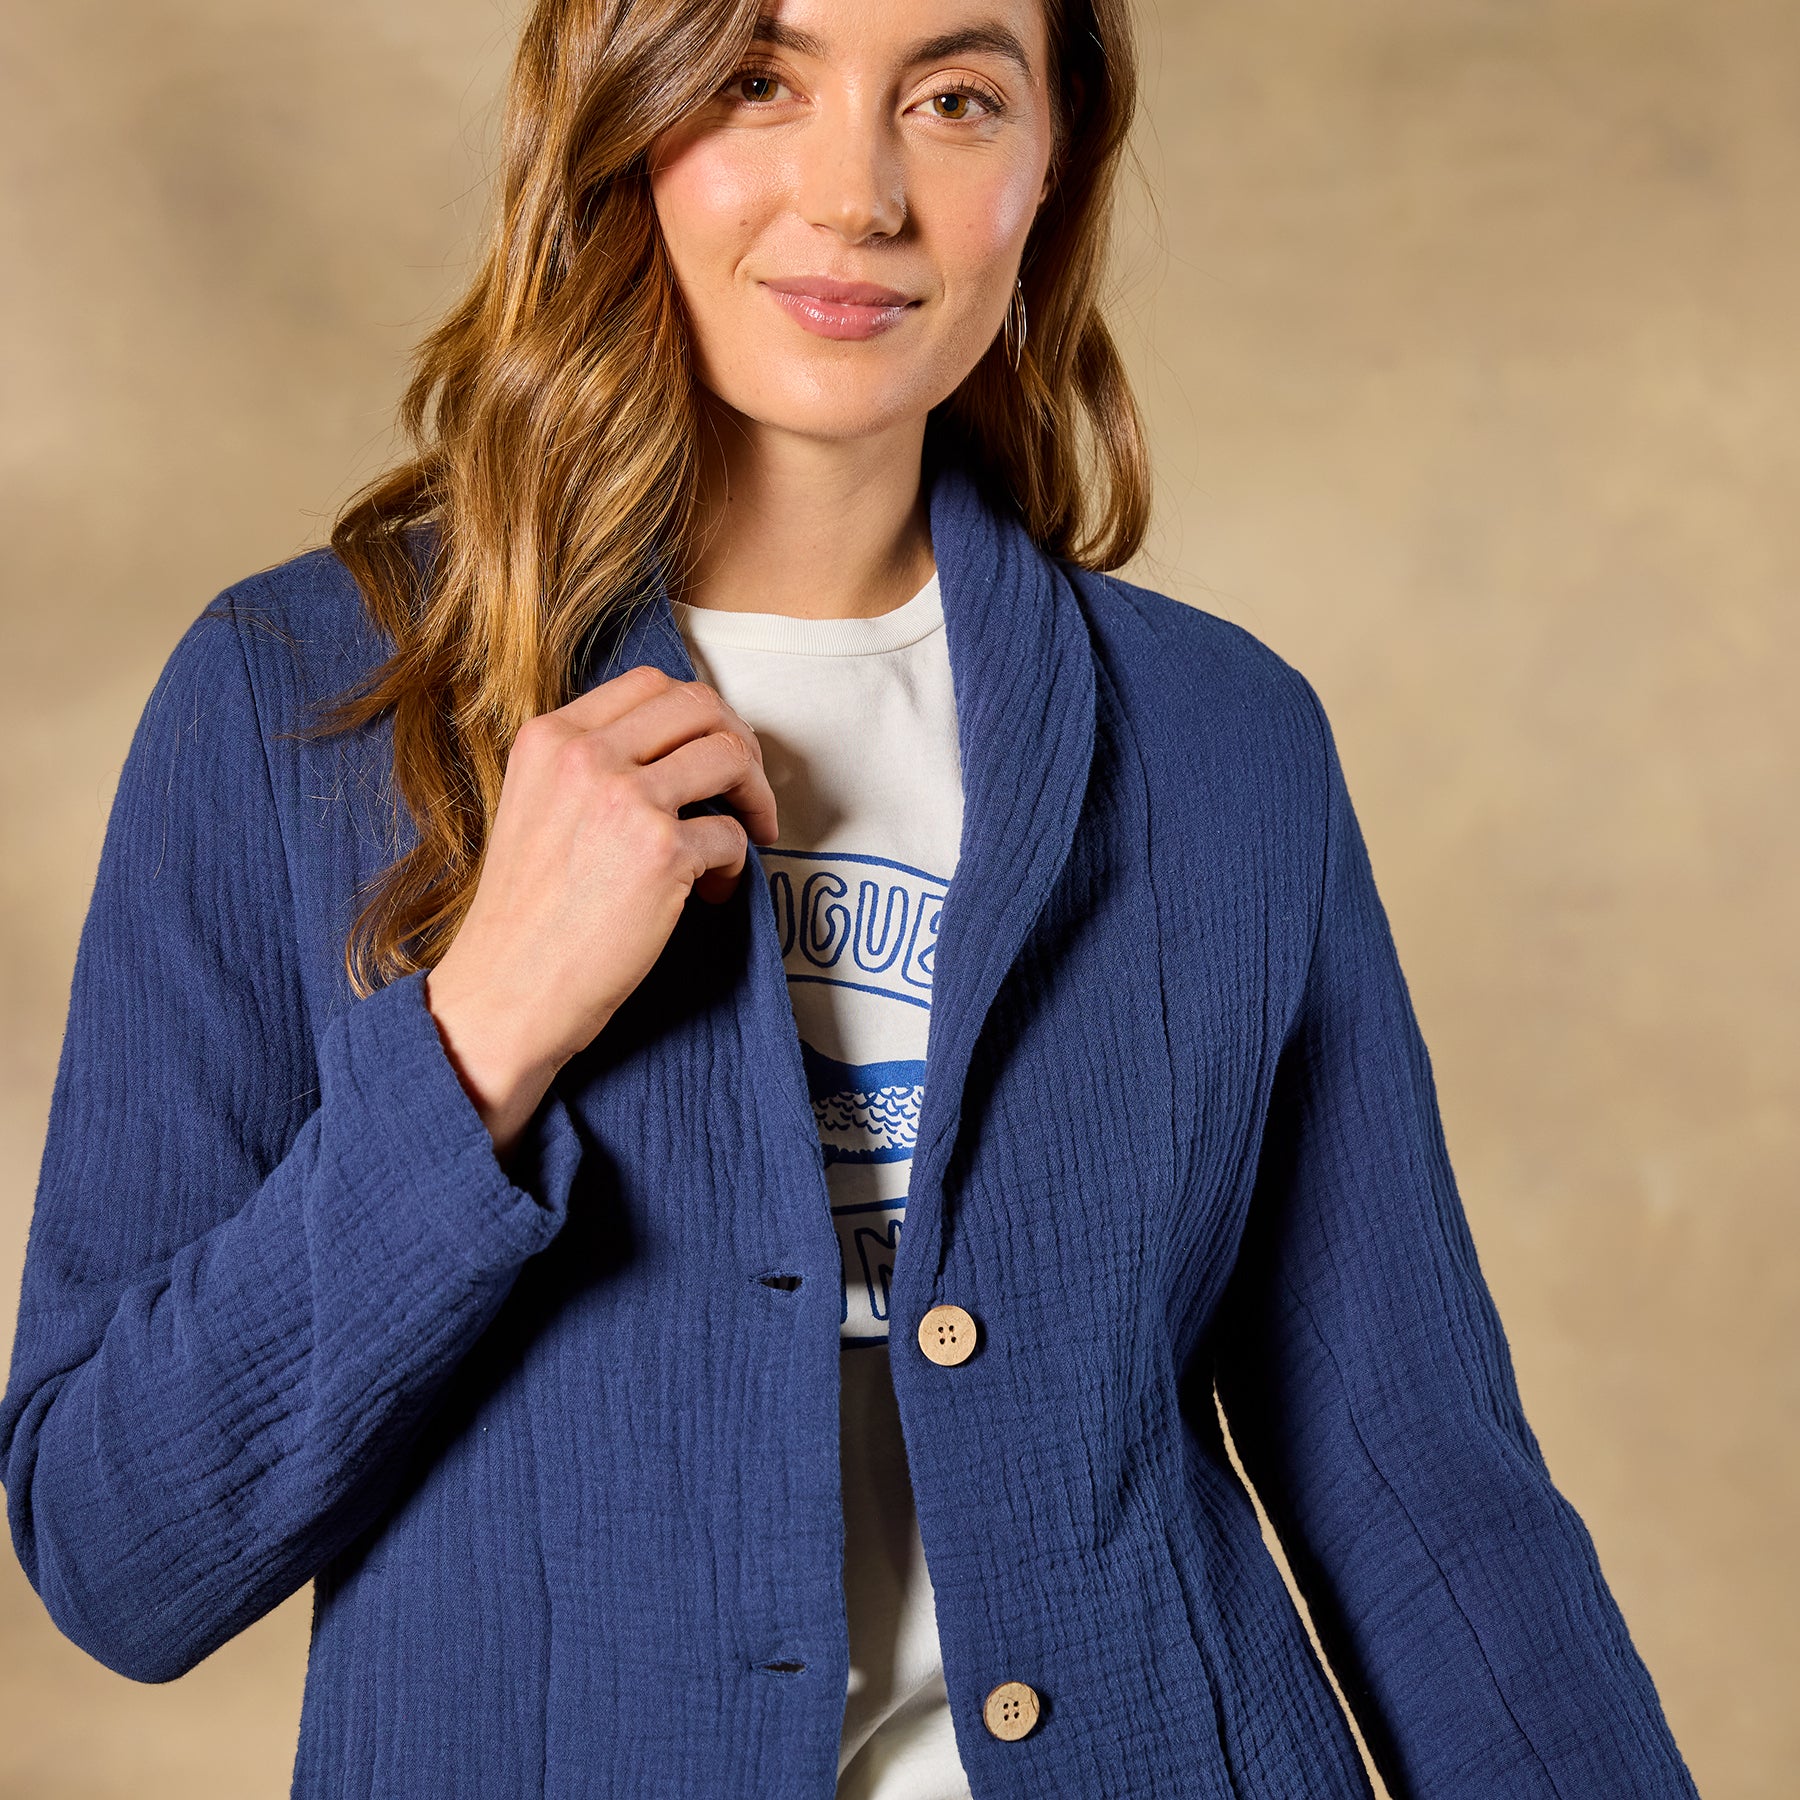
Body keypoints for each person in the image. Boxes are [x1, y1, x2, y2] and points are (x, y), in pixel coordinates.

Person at [0, 1, 1701, 1796]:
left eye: (955, 98)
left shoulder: (1225, 742)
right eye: (760, 81)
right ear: (620, 121)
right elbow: (120, 1556)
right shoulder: (302, 702)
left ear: (1052, 163)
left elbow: (1428, 1491)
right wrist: (480, 1035)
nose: (859, 193)